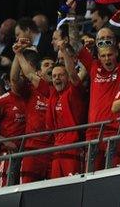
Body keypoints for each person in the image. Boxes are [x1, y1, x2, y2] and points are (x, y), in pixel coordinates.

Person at [77, 29, 120, 170]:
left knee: (117, 175)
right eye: (103, 56)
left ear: (116, 53)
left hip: (117, 130)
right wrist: (71, 14)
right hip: (93, 133)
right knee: (92, 177)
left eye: (110, 55)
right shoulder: (94, 66)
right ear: (98, 56)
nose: (107, 58)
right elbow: (75, 45)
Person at [11, 45, 54, 183]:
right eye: (46, 65)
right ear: (39, 73)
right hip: (33, 149)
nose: (50, 67)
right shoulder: (31, 90)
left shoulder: (60, 89)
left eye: (53, 65)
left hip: (55, 148)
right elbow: (14, 78)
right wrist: (18, 55)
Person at [45, 42, 87, 178]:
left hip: (73, 147)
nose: (57, 78)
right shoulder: (53, 95)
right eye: (54, 76)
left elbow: (74, 75)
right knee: (57, 189)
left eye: (60, 75)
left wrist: (63, 50)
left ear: (67, 77)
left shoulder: (73, 92)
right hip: (56, 149)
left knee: (73, 186)